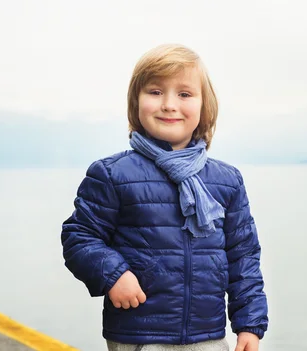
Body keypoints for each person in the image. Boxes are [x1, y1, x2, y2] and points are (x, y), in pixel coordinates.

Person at [61, 44, 268, 351]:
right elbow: (79, 236)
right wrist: (114, 274)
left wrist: (249, 323)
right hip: (139, 335)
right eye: (155, 92)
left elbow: (244, 257)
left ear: (204, 107)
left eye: (184, 94)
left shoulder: (227, 181)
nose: (169, 104)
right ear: (136, 103)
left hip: (208, 336)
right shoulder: (112, 173)